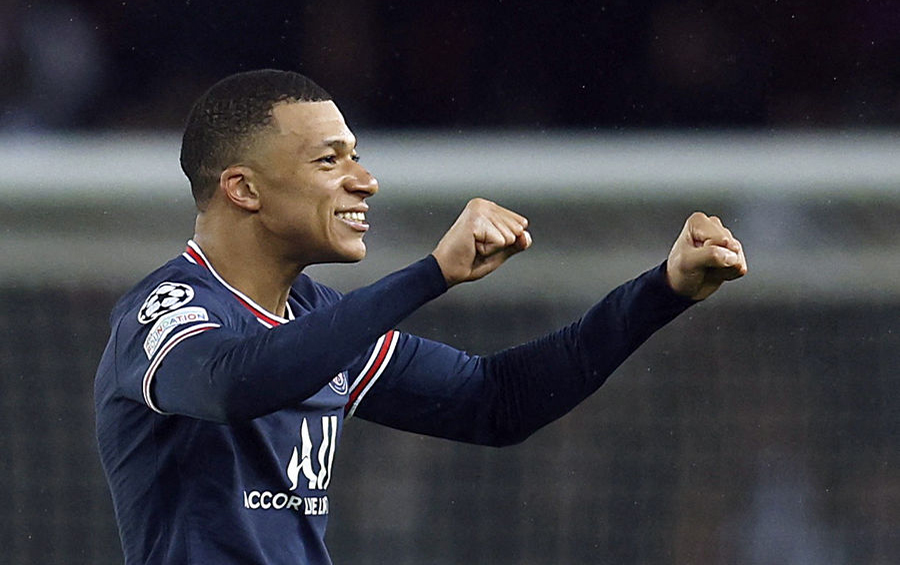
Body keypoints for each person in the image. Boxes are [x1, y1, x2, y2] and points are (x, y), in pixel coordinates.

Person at [94, 69, 747, 565]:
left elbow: (496, 401)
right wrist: (431, 273)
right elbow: (233, 385)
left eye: (354, 155)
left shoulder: (318, 317)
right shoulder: (166, 311)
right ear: (243, 188)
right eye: (329, 160)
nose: (365, 180)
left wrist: (663, 290)